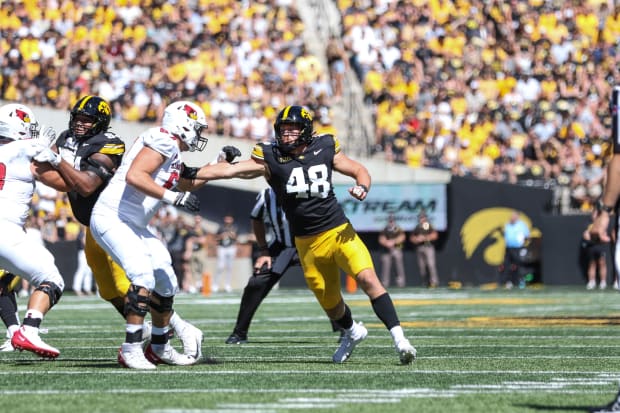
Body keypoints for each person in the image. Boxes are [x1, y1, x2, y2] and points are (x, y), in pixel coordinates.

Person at [193, 105, 416, 364]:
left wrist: (362, 186)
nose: (286, 135)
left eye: (292, 130)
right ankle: (352, 331)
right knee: (331, 304)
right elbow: (229, 170)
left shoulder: (325, 146)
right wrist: (192, 172)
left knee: (368, 279)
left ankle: (401, 340)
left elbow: (359, 170)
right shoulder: (270, 156)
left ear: (306, 131)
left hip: (338, 232)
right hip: (306, 243)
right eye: (283, 130)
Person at [33, 95, 205, 362]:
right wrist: (36, 160)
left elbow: (85, 185)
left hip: (114, 222)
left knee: (134, 282)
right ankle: (153, 331)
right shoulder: (67, 139)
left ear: (99, 123)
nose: (80, 123)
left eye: (87, 119)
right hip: (91, 226)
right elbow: (60, 180)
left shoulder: (109, 144)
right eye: (77, 118)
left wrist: (54, 160)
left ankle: (175, 330)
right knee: (108, 290)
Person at [88, 100, 236, 369]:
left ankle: (159, 347)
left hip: (133, 223)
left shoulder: (171, 151)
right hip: (113, 217)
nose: (199, 134)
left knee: (166, 281)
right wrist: (174, 198)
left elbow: (187, 182)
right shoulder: (163, 139)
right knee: (142, 275)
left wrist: (219, 163)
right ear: (184, 124)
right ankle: (131, 349)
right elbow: (135, 175)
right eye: (197, 128)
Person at [225, 187, 343, 344]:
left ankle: (345, 328)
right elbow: (256, 218)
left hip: (310, 245)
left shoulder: (308, 188)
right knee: (256, 283)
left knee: (325, 285)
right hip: (281, 246)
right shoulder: (268, 194)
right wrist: (264, 250)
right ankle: (239, 333)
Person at [0, 103, 71, 358]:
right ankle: (27, 330)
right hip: (4, 230)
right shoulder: (27, 150)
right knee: (51, 279)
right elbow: (64, 184)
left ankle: (14, 331)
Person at [499, 210, 530, 289]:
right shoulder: (507, 225)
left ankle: (521, 281)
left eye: (514, 216)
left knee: (519, 265)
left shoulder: (521, 225)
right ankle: (508, 282)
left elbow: (527, 236)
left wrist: (523, 246)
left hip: (518, 248)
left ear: (517, 217)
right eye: (511, 216)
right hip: (509, 248)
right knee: (506, 265)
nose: (512, 217)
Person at [409, 212, 439, 288]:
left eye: (423, 217)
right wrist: (417, 239)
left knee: (430, 264)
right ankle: (425, 282)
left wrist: (425, 238)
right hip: (420, 248)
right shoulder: (417, 227)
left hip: (428, 247)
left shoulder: (428, 226)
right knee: (422, 267)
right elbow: (412, 238)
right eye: (420, 218)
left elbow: (435, 235)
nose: (421, 219)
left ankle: (433, 282)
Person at [581, 209, 609, 290]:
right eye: (594, 214)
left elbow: (605, 237)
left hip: (600, 247)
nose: (595, 216)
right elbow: (586, 236)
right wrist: (596, 237)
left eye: (597, 215)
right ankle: (591, 282)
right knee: (592, 264)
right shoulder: (588, 224)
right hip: (591, 248)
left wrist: (596, 237)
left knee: (602, 263)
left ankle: (603, 282)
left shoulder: (602, 224)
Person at [378, 215, 406, 287]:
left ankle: (400, 283)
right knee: (385, 268)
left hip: (396, 249)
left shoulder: (398, 228)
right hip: (386, 250)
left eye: (392, 221)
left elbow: (402, 237)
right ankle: (384, 284)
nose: (391, 222)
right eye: (390, 221)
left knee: (398, 267)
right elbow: (381, 238)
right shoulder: (385, 229)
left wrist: (393, 241)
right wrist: (386, 243)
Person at [213, 214, 238, 293]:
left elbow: (236, 237)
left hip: (231, 248)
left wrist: (229, 234)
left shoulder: (234, 227)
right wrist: (222, 236)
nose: (228, 221)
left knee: (229, 267)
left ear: (232, 220)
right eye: (226, 219)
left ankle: (227, 285)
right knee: (220, 267)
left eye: (229, 219)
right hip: (222, 248)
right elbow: (216, 238)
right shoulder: (221, 227)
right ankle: (215, 285)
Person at [72, 225, 93, 295]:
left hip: (88, 252)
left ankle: (87, 289)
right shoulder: (81, 234)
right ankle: (76, 288)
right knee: (81, 270)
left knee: (88, 271)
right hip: (83, 253)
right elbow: (85, 243)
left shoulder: (86, 233)